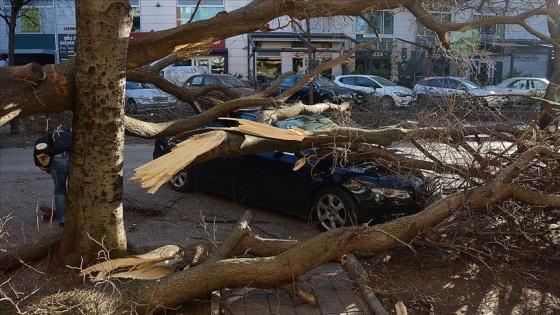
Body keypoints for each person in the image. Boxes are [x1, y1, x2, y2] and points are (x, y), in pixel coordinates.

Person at [33, 126, 72, 227]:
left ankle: (63, 220)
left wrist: (43, 165)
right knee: (75, 189)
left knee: (59, 190)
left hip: (58, 160)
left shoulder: (51, 136)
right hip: (75, 158)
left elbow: (39, 146)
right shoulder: (73, 135)